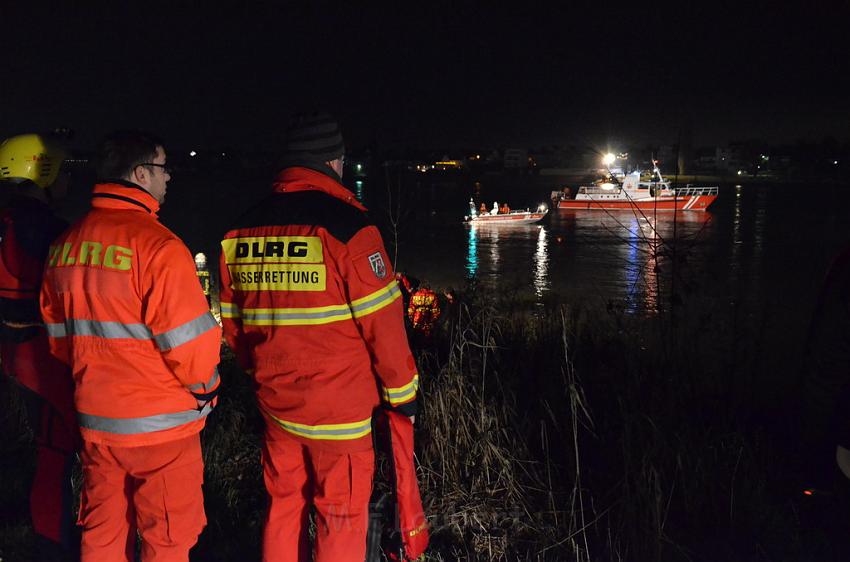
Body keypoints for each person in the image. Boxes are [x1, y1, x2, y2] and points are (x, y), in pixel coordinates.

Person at [219, 111, 419, 562]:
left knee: (283, 505)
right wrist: (403, 393)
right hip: (341, 412)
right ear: (334, 163)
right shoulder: (349, 229)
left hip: (276, 404)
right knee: (341, 514)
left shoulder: (239, 230)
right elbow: (383, 325)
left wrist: (264, 374)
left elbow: (234, 325)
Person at [40, 130, 222, 562]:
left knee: (102, 534)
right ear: (140, 174)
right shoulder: (159, 247)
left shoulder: (65, 246)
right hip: (162, 430)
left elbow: (59, 342)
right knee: (168, 539)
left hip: (96, 424)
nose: (169, 178)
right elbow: (192, 348)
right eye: (162, 169)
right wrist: (207, 391)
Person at [0, 133, 79, 561]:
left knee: (51, 452)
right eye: (62, 170)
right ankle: (53, 546)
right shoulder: (44, 227)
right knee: (55, 455)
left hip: (17, 352)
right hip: (42, 358)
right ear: (42, 171)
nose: (68, 179)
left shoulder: (11, 219)